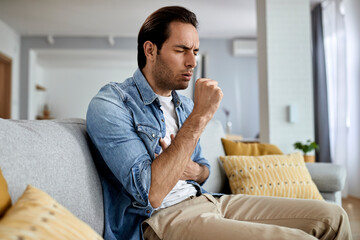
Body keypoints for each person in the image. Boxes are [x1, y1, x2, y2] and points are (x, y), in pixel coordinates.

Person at [86, 6, 352, 240]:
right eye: (181, 50)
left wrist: (187, 168)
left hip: (210, 200)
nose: (192, 62)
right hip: (162, 219)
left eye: (195, 51)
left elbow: (203, 171)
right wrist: (200, 117)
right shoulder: (112, 103)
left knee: (333, 218)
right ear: (150, 50)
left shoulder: (185, 105)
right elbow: (151, 193)